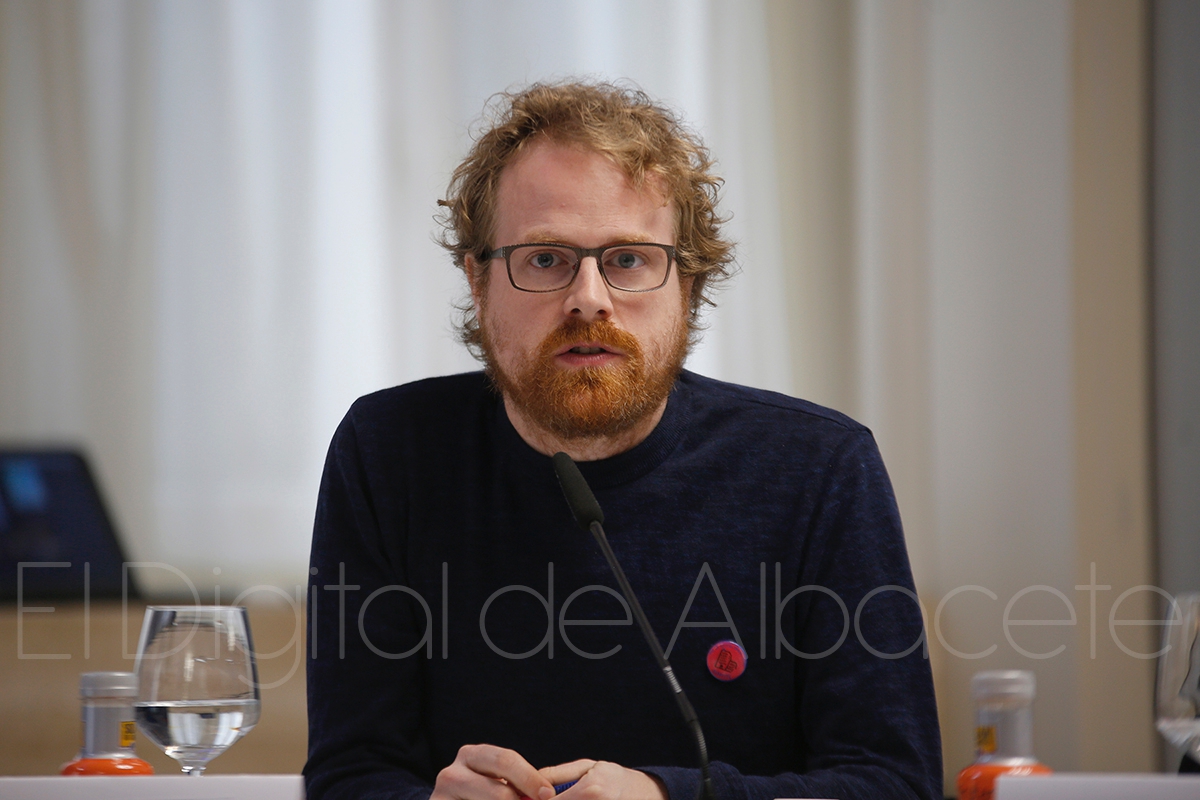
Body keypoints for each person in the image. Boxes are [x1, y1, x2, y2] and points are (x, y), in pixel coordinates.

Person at [304, 81, 942, 800]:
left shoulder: (819, 468)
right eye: (545, 259)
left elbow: (895, 783)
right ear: (478, 283)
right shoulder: (388, 454)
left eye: (629, 260)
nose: (589, 299)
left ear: (687, 287)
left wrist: (672, 796)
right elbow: (347, 775)